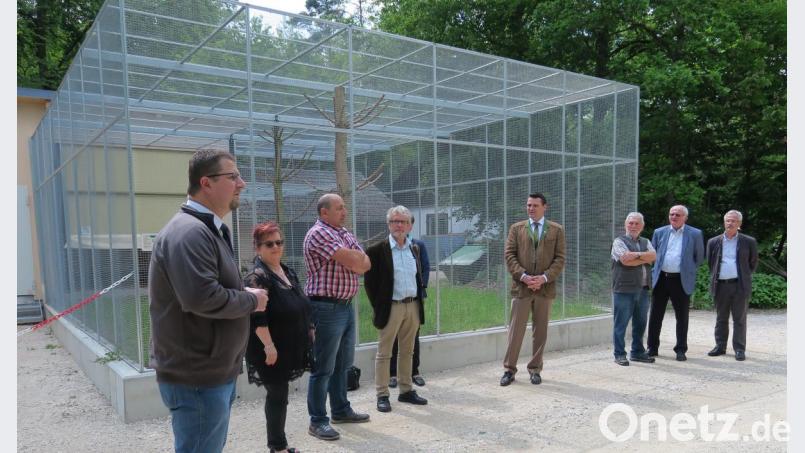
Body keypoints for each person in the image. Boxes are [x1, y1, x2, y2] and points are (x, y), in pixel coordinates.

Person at [148, 150, 268, 453]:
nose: (242, 183)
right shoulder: (189, 233)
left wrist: (243, 294)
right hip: (197, 376)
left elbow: (213, 287)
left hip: (211, 372)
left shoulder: (209, 229)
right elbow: (202, 297)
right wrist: (251, 301)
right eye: (233, 177)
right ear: (206, 183)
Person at [304, 193, 371, 441]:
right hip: (325, 308)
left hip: (344, 306)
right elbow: (354, 259)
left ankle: (341, 410)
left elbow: (366, 263)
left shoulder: (343, 233)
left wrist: (355, 259)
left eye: (344, 207)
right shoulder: (319, 233)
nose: (345, 212)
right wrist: (354, 259)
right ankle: (317, 421)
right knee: (323, 368)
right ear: (324, 212)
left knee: (342, 364)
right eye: (339, 208)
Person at [244, 221, 314, 453]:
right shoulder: (257, 277)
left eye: (279, 242)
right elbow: (258, 318)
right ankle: (277, 447)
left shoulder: (286, 270)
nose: (276, 247)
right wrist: (269, 346)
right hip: (269, 349)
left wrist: (310, 327)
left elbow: (301, 302)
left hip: (288, 345)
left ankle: (279, 444)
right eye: (269, 244)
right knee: (277, 396)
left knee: (280, 395)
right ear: (258, 248)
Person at [365, 206, 429, 413]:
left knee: (408, 351)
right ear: (388, 224)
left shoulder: (415, 248)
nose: (399, 225)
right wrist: (380, 306)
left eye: (403, 221)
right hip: (391, 308)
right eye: (395, 221)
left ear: (410, 225)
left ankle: (406, 390)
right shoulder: (376, 250)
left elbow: (418, 277)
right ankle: (382, 394)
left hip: (412, 306)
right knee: (384, 354)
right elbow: (370, 284)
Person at [500, 192, 566, 386]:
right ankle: (509, 370)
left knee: (541, 331)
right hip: (522, 288)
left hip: (544, 289)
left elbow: (560, 258)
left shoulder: (556, 230)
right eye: (528, 205)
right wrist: (524, 276)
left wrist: (544, 278)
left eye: (535, 205)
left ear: (545, 207)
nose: (531, 208)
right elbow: (509, 255)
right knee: (516, 331)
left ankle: (535, 369)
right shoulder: (517, 229)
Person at [647, 205, 705, 362]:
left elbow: (699, 257)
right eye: (671, 214)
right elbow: (652, 254)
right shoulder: (659, 232)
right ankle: (652, 348)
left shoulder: (695, 234)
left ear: (685, 217)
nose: (674, 216)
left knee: (682, 317)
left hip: (681, 280)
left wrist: (687, 269)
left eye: (678, 214)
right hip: (661, 279)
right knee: (655, 315)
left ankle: (680, 349)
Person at [705, 210, 758, 361]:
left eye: (734, 221)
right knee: (721, 318)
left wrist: (743, 275)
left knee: (739, 319)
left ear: (739, 224)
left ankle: (739, 349)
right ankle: (720, 346)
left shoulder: (749, 241)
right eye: (728, 220)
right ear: (724, 222)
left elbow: (752, 263)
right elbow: (711, 264)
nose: (730, 223)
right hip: (721, 285)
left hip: (739, 285)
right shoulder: (713, 241)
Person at [610, 212, 657, 366]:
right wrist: (643, 257)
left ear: (642, 226)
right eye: (630, 223)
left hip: (643, 289)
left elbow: (653, 257)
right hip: (624, 289)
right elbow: (625, 260)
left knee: (641, 323)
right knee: (621, 324)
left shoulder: (646, 240)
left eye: (637, 223)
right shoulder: (618, 241)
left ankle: (637, 352)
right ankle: (619, 354)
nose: (633, 226)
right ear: (625, 225)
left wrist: (635, 255)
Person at [389, 215, 430, 389]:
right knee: (393, 338)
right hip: (394, 301)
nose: (402, 227)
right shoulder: (388, 247)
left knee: (414, 337)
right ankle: (392, 374)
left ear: (410, 227)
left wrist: (421, 286)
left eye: (406, 223)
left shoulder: (418, 246)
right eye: (398, 223)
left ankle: (414, 372)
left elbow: (426, 267)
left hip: (414, 299)